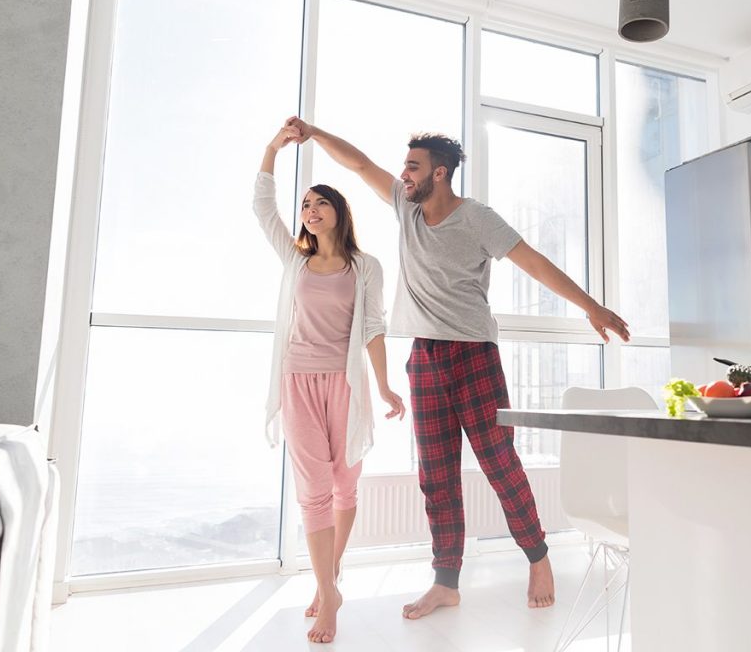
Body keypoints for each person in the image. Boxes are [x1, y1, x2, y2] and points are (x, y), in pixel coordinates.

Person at [286, 116, 630, 620]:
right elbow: (359, 163)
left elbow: (532, 260)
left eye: (413, 167)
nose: (403, 175)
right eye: (404, 166)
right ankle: (446, 582)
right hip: (424, 357)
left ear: (440, 173)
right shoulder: (406, 208)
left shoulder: (477, 219)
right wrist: (314, 133)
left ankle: (538, 556)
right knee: (436, 475)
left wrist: (590, 306)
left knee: (499, 462)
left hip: (472, 355)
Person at [255, 122, 406, 643]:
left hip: (347, 386)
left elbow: (373, 328)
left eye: (320, 203)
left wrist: (384, 387)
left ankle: (330, 579)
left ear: (340, 212)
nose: (310, 210)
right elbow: (261, 206)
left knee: (346, 486)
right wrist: (273, 149)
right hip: (297, 381)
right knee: (314, 492)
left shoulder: (366, 268)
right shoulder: (294, 260)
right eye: (305, 205)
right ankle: (328, 597)